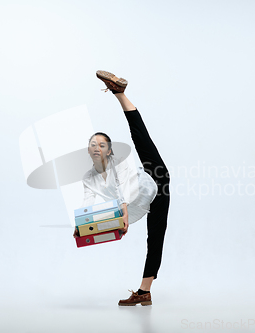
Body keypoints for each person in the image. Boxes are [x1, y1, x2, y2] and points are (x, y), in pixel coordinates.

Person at [73, 70, 171, 306]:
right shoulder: (89, 177)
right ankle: (144, 292)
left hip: (155, 181)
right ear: (88, 150)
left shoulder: (119, 162)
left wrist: (124, 213)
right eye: (93, 144)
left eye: (102, 144)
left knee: (140, 136)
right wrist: (80, 226)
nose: (97, 147)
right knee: (154, 239)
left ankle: (120, 94)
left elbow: (125, 187)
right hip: (144, 202)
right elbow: (88, 201)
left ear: (109, 150)